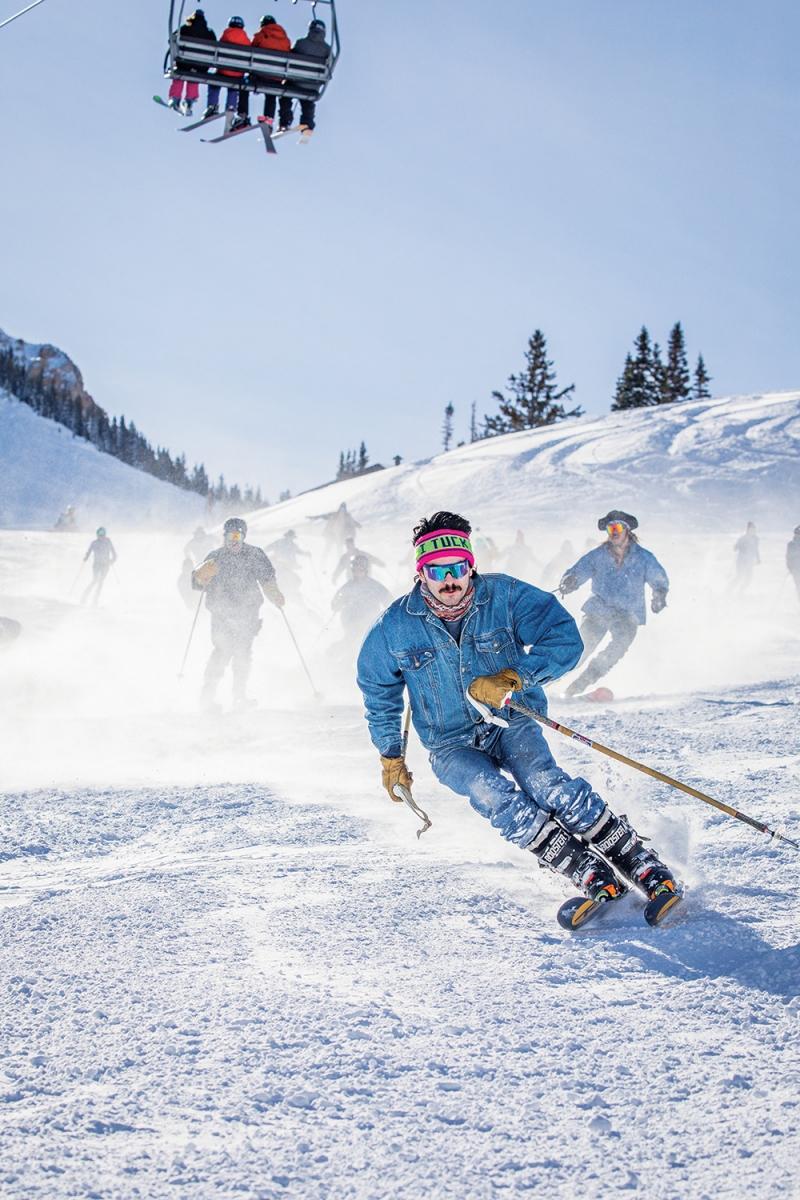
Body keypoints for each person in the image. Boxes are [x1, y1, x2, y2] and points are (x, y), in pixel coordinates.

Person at [356, 510, 679, 914]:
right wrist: (391, 756)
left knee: (544, 783)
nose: (450, 581)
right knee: (493, 795)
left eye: (458, 567)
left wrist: (515, 676)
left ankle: (639, 861)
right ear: (420, 574)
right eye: (436, 572)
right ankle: (585, 869)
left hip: (513, 719)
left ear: (471, 565)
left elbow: (564, 639)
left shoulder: (505, 596)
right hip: (450, 742)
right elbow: (378, 691)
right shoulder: (394, 627)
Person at [558, 510, 668, 698]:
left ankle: (577, 687)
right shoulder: (598, 555)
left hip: (628, 614)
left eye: (617, 527)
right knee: (580, 650)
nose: (613, 532)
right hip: (599, 610)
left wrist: (659, 595)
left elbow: (658, 578)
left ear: (627, 530)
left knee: (615, 650)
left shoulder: (643, 557)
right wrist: (570, 581)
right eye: (610, 528)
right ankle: (546, 682)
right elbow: (578, 571)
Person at [192, 517, 284, 711]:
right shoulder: (215, 557)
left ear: (244, 535)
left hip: (248, 612)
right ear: (224, 536)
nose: (234, 539)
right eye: (229, 535)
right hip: (222, 612)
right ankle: (207, 697)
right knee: (222, 652)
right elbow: (196, 583)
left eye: (238, 534)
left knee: (243, 653)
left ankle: (239, 697)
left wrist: (273, 592)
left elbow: (267, 576)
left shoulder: (254, 554)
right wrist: (201, 577)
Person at [332, 555, 392, 654]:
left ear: (366, 570)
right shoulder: (348, 587)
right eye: (355, 569)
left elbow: (389, 602)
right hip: (351, 621)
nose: (358, 572)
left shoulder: (374, 586)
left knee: (365, 643)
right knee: (351, 642)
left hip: (369, 622)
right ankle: (335, 656)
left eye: (361, 569)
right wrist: (340, 602)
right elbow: (335, 605)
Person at [205, 15, 251, 129]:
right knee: (234, 85)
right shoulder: (245, 38)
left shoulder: (226, 34)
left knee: (215, 81)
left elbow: (219, 49)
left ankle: (212, 105)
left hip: (224, 70)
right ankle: (231, 106)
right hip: (238, 73)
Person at [169, 8, 217, 117]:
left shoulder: (185, 29)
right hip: (200, 66)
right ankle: (189, 101)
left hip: (183, 62)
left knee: (180, 73)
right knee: (194, 75)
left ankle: (175, 98)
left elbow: (171, 40)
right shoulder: (209, 33)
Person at [251, 14, 294, 130]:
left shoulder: (262, 34)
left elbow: (252, 49)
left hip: (261, 74)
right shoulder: (285, 39)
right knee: (271, 94)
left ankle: (242, 115)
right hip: (277, 76)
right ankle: (269, 119)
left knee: (244, 84)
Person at [290, 18, 330, 132]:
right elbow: (330, 64)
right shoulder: (327, 49)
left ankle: (285, 120)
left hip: (296, 81)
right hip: (314, 83)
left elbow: (292, 56)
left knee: (285, 96)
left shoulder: (301, 43)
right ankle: (307, 124)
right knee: (308, 101)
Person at [81, 527, 117, 607]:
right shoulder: (94, 543)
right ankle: (84, 597)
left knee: (100, 582)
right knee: (95, 580)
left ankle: (95, 600)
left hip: (105, 565)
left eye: (102, 533)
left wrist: (113, 560)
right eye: (99, 534)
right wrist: (86, 557)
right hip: (96, 565)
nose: (101, 535)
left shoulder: (108, 542)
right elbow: (89, 551)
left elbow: (113, 552)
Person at [732, 522, 760, 594]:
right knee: (739, 576)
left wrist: (758, 559)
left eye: (753, 529)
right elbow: (735, 548)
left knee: (748, 578)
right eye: (751, 529)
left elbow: (756, 550)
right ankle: (729, 590)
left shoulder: (756, 539)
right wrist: (739, 546)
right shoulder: (743, 539)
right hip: (741, 561)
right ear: (747, 530)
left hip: (749, 562)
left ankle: (740, 592)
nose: (752, 531)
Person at [787, 526, 800, 602]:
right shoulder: (791, 545)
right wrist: (790, 567)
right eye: (796, 533)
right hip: (796, 569)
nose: (797, 535)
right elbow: (788, 557)